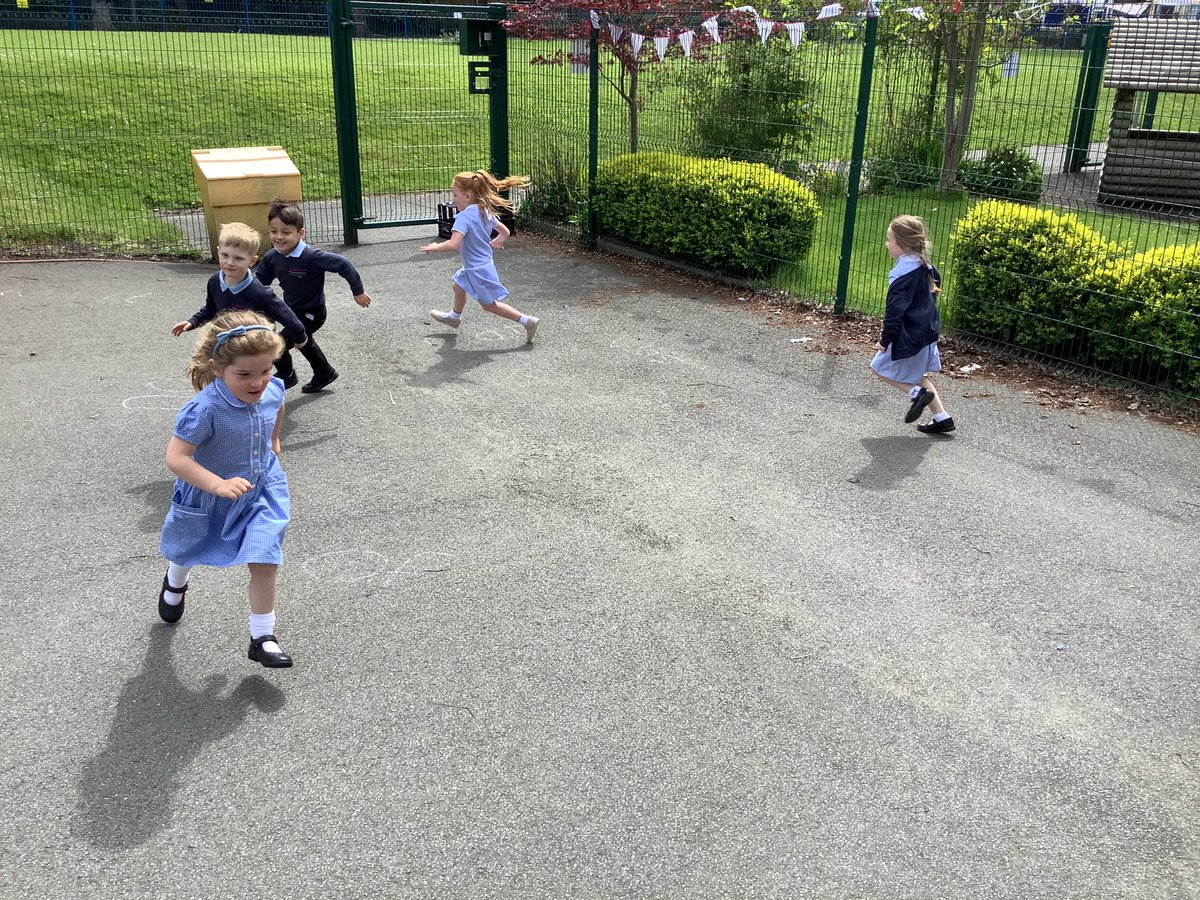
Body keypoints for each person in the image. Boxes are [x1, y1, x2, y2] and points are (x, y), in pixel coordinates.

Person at [157, 311, 296, 668]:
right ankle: (176, 581)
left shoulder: (273, 388)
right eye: (245, 374)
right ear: (217, 368)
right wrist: (216, 484)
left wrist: (274, 440)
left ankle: (262, 636)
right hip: (209, 492)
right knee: (188, 548)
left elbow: (277, 404)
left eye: (265, 370)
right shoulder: (203, 409)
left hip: (261, 488)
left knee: (265, 559)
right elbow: (176, 457)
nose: (258, 382)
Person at [256, 200, 372, 393]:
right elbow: (259, 283)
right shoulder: (273, 256)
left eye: (286, 232)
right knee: (304, 341)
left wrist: (358, 291)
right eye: (274, 231)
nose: (279, 237)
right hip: (291, 311)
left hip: (312, 313)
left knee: (278, 344)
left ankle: (287, 376)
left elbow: (343, 264)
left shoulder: (311, 256)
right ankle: (324, 372)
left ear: (300, 233)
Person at [422, 169, 539, 343]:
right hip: (480, 265)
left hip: (477, 270)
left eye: (455, 195)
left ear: (467, 196)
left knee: (489, 305)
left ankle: (526, 321)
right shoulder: (485, 211)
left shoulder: (463, 218)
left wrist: (435, 247)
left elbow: (454, 244)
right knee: (458, 286)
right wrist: (498, 240)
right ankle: (454, 317)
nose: (453, 200)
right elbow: (505, 231)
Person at [171, 221, 308, 358]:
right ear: (218, 251)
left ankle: (287, 376)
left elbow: (285, 315)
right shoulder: (214, 282)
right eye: (225, 255)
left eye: (238, 258)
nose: (230, 262)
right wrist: (192, 321)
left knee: (274, 364)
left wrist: (300, 335)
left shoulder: (259, 292)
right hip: (228, 343)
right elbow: (211, 308)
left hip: (254, 346)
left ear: (252, 261)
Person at [871, 215, 955, 434]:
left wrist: (885, 340)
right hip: (927, 333)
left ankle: (915, 394)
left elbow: (894, 312)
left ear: (902, 243)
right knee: (918, 376)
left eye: (889, 239)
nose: (886, 244)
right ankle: (942, 418)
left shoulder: (901, 273)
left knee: (879, 368)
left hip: (909, 335)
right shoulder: (927, 266)